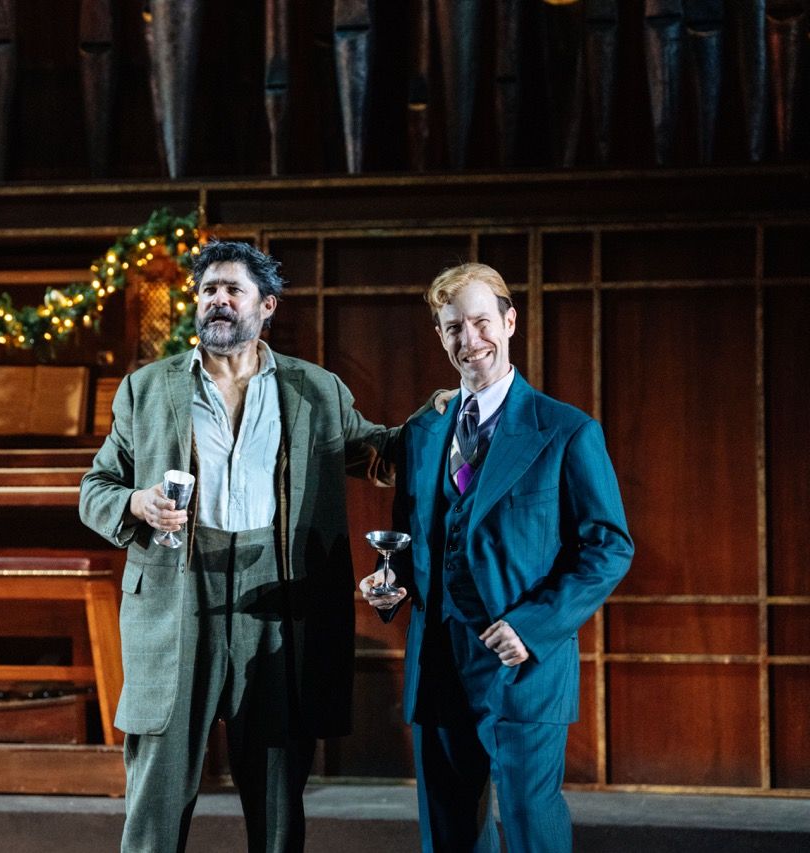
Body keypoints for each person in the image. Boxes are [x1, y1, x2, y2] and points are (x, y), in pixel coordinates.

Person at [80, 240, 403, 853]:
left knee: (279, 795)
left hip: (278, 597)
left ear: (267, 306)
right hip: (178, 595)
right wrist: (133, 503)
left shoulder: (316, 390)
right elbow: (95, 487)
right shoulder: (146, 389)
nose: (218, 301)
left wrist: (451, 414)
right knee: (155, 790)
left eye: (233, 290)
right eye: (208, 291)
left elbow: (379, 452)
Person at [362, 262, 634, 853]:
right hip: (437, 659)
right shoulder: (423, 434)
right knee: (449, 833)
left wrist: (533, 628)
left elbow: (610, 547)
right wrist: (393, 582)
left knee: (532, 829)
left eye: (482, 322)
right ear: (441, 336)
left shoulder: (565, 431)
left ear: (509, 322)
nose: (470, 340)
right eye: (454, 328)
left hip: (521, 664)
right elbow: (415, 537)